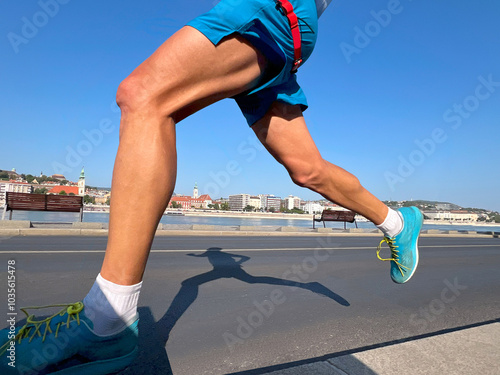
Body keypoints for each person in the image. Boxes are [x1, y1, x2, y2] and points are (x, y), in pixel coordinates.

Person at [0, 0, 423, 373]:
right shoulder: (224, 261)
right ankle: (396, 223)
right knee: (307, 171)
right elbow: (214, 275)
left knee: (143, 96)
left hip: (272, 10)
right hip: (289, 28)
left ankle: (105, 319)